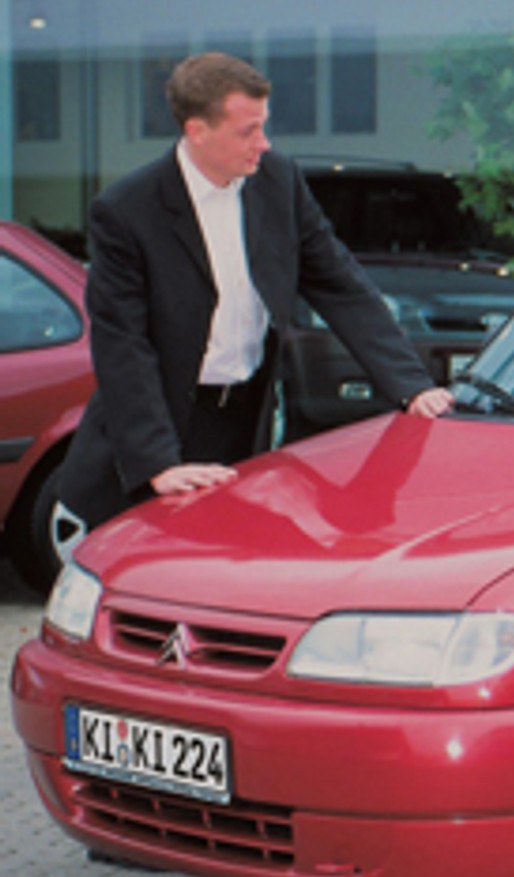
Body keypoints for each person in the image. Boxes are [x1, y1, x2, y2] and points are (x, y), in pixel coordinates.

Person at [54, 52, 454, 558]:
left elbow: (339, 283)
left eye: (264, 127)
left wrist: (412, 385)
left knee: (233, 574)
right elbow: (123, 346)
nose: (263, 143)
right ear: (198, 131)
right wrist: (159, 463)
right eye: (248, 131)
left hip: (246, 418)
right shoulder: (126, 211)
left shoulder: (278, 181)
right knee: (154, 580)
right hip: (162, 424)